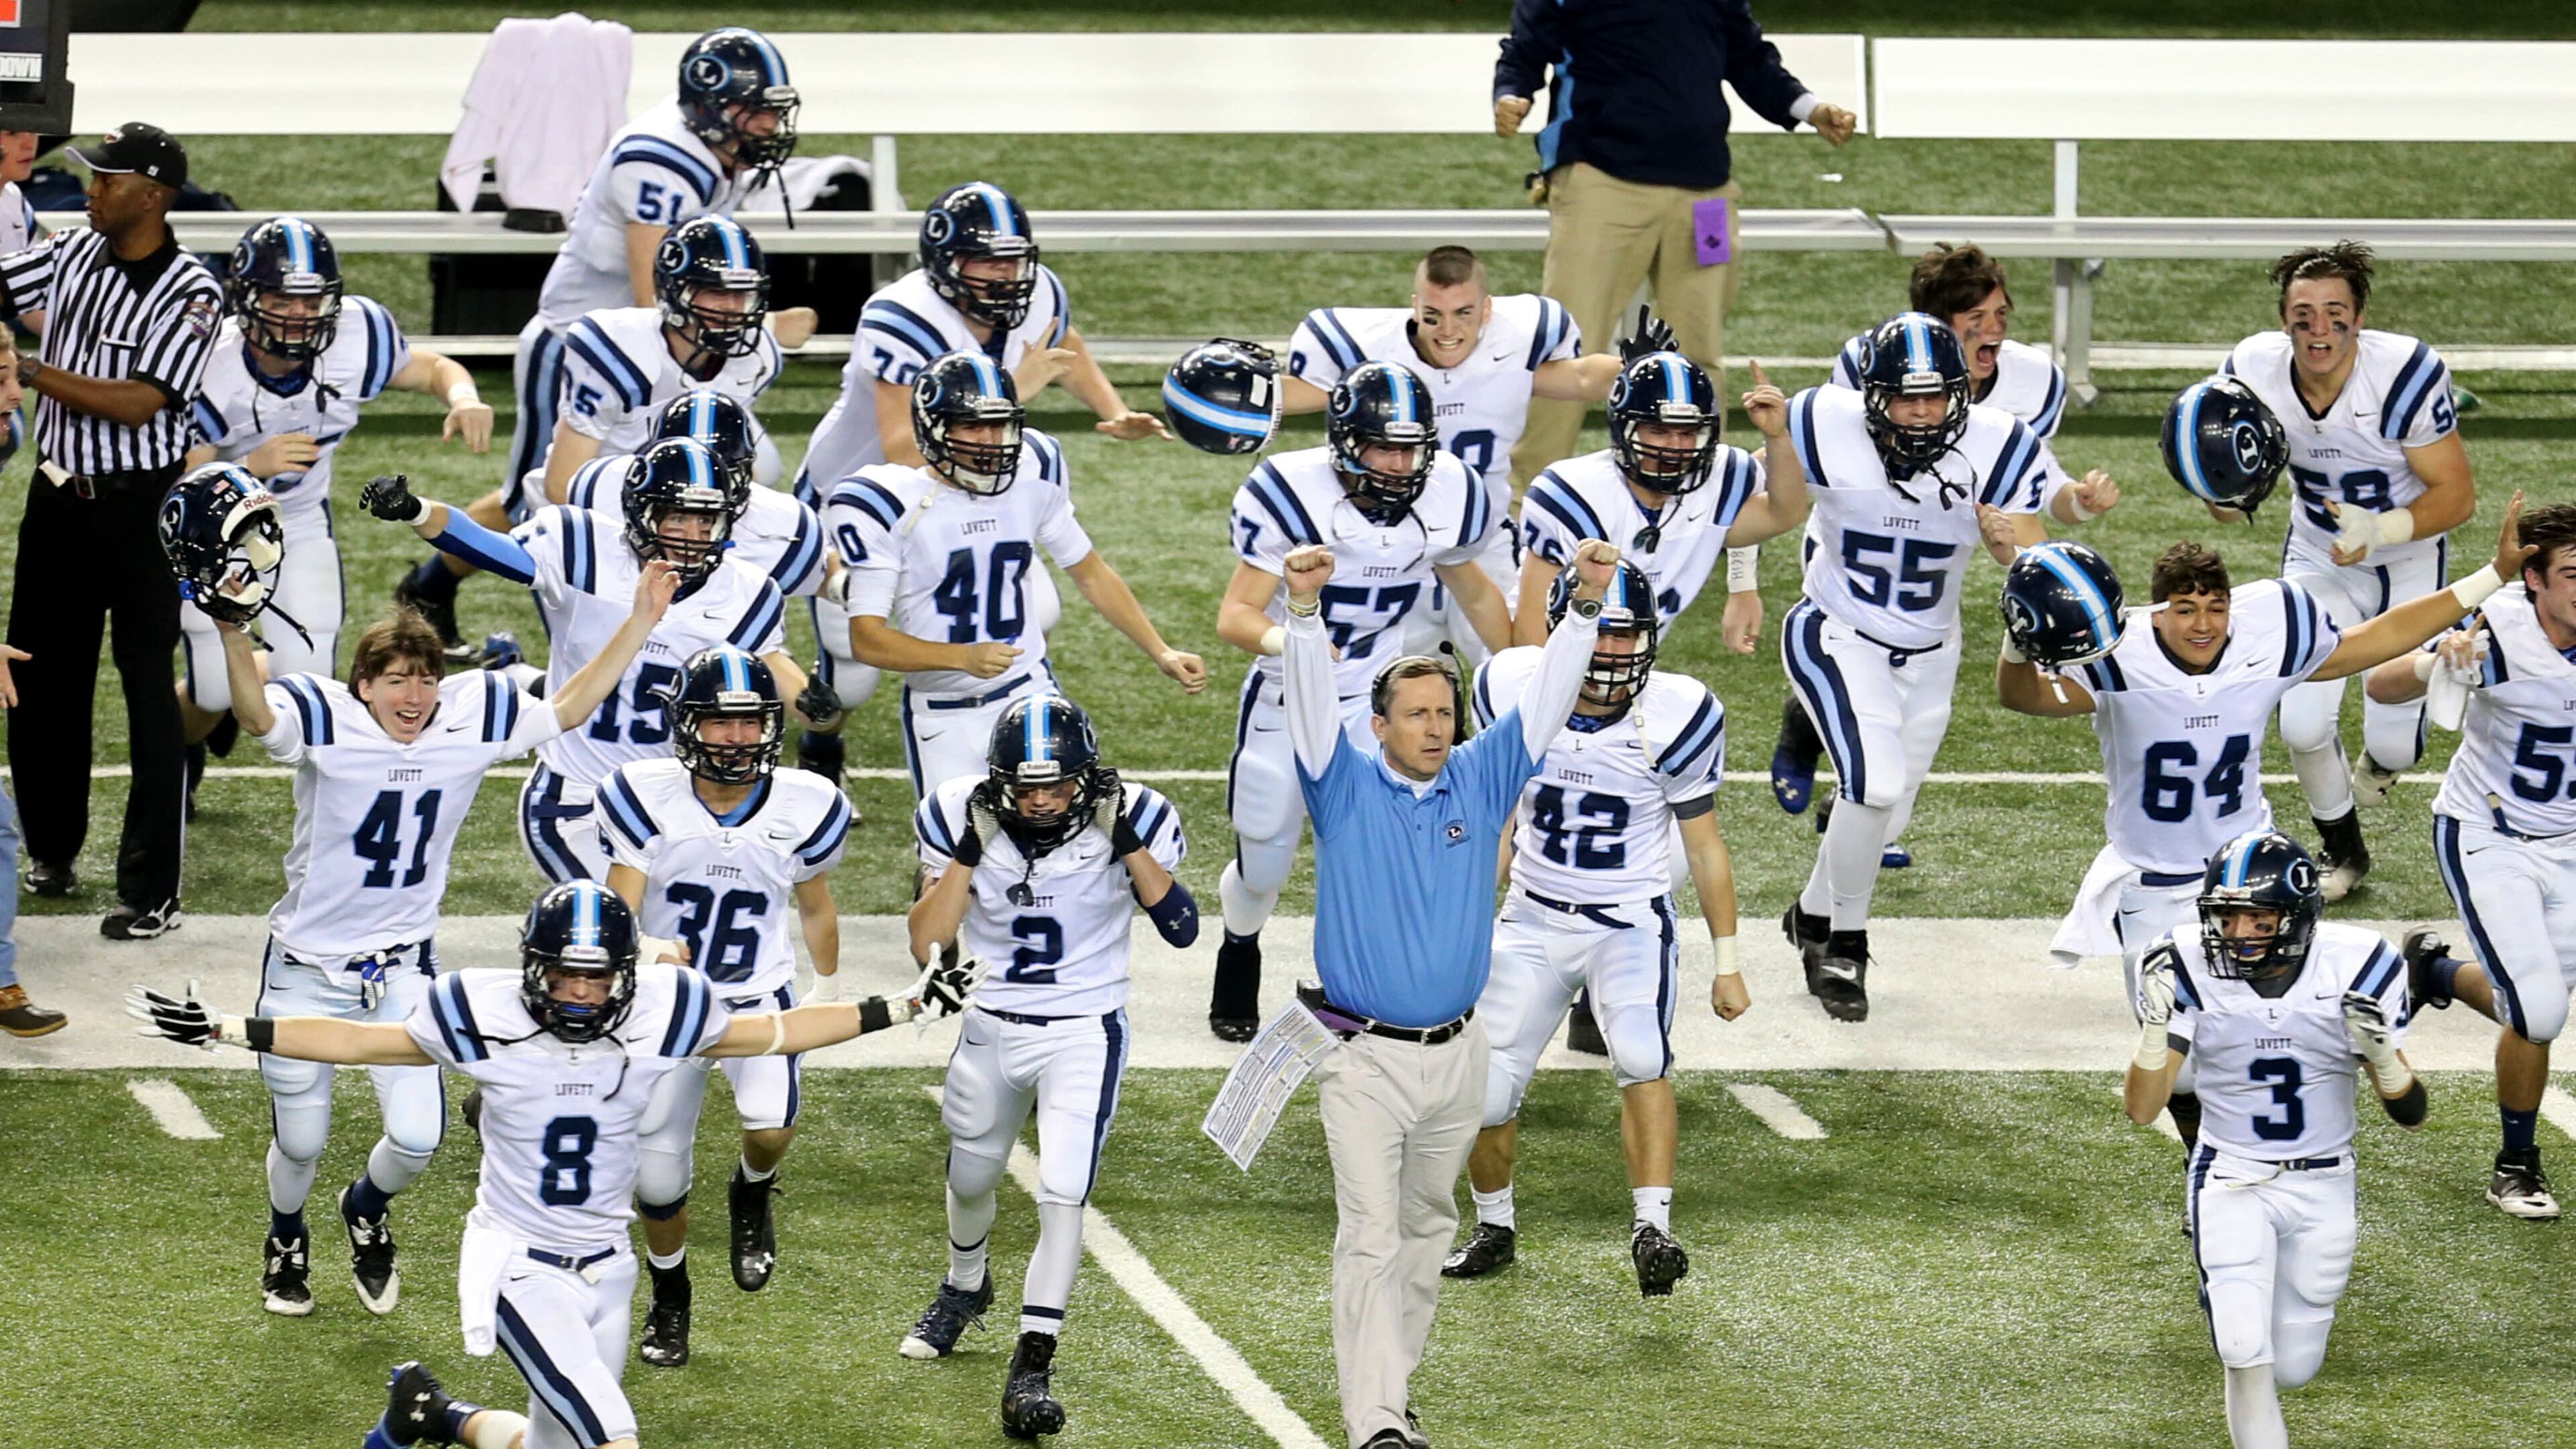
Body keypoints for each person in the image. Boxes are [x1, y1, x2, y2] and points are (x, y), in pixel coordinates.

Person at [126, 879, 981, 1449]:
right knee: (614, 1436)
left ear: (624, 977)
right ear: (532, 968)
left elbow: (778, 1032)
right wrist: (230, 1030)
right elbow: (359, 1040)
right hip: (515, 1265)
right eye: (563, 977)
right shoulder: (478, 1010)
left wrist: (902, 1007)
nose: (579, 993)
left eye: (596, 979)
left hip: (609, 1266)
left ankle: (432, 1415)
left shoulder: (663, 1008)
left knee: (554, 1441)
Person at [172, 456, 681, 1318]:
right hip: (304, 963)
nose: (414, 694)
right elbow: (256, 714)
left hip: (401, 967)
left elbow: (569, 707)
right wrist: (227, 630)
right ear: (361, 685)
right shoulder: (324, 715)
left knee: (416, 1137)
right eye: (395, 680)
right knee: (299, 1139)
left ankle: (365, 1210)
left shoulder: (467, 716)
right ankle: (285, 1228)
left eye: (425, 678)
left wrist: (639, 621)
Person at [2002, 484, 2532, 1142]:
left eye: (2215, 608)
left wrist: (2493, 576)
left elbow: (2375, 639)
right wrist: (2020, 642)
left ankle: (2334, 1097)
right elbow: (2025, 697)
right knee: (2183, 1066)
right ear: (2155, 615)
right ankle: (2214, 1166)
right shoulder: (2119, 651)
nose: (2202, 624)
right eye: (2184, 610)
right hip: (2152, 881)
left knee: (2283, 1025)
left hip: (2250, 873)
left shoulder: (2270, 626)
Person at [1283, 531, 1615, 1449]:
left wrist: (1583, 608)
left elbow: (1549, 701)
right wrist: (1304, 618)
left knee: (1428, 1232)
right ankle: (1376, 1422)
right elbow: (1311, 714)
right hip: (1361, 1056)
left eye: (1444, 712)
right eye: (1416, 714)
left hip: (1459, 1053)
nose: (1435, 727)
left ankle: (1393, 1394)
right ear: (1379, 725)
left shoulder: (1482, 772)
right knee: (1369, 1236)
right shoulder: (1342, 786)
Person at [793, 182, 1167, 784]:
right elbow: (903, 448)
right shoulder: (901, 316)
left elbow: (1062, 343)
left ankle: (992, 731)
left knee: (1032, 610)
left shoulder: (1038, 292)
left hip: (972, 483)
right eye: (988, 260)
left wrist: (1113, 408)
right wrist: (1011, 391)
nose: (1007, 274)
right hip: (875, 499)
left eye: (1015, 259)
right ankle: (821, 741)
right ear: (945, 263)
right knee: (855, 672)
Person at [1442, 562, 1746, 1296]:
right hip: (1534, 915)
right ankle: (1495, 1225)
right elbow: (1489, 785)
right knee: (1484, 1094)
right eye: (1602, 632)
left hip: (1627, 921)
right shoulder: (1512, 685)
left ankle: (1654, 1229)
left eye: (1629, 633)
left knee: (1642, 1054)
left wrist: (1727, 960)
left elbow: (1703, 845)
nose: (1613, 652)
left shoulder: (1676, 713)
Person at [899, 694, 1195, 1439]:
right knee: (970, 1176)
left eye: (1057, 786)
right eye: (1025, 788)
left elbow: (1182, 927)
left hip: (1083, 1029)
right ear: (997, 782)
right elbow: (927, 945)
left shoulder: (1137, 814)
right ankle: (966, 1285)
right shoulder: (956, 813)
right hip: (991, 1021)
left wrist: (1122, 836)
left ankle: (1033, 1361)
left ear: (1087, 778)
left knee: (1063, 1192)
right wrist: (969, 850)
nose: (1040, 802)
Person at [1776, 314, 2074, 1022]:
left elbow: (2030, 555)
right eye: (1905, 398)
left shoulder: (1998, 444)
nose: (1920, 412)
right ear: (1872, 395)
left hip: (1933, 649)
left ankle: (1812, 913)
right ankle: (1843, 944)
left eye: (1935, 397)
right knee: (1874, 786)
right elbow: (1763, 505)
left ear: (1960, 395)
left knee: (1888, 810)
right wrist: (1746, 586)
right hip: (1839, 630)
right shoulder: (1822, 420)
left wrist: (2007, 547)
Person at [1206, 360, 1513, 1042]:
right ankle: (1239, 944)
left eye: (1413, 448)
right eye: (1386, 447)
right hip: (1292, 691)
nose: (1403, 464)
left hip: (1379, 700)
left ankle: (1348, 979)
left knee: (1377, 847)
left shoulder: (1448, 495)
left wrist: (1530, 663)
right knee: (1266, 852)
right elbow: (1236, 615)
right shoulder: (1292, 489)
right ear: (1345, 443)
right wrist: (1297, 644)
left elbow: (1477, 592)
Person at [1774, 243, 2108, 860]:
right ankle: (1811, 728)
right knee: (1861, 662)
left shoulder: (2029, 390)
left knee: (1915, 702)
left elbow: (2033, 485)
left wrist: (2074, 509)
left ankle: (1869, 814)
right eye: (1974, 321)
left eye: (2001, 316)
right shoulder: (1864, 367)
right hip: (1856, 542)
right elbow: (1815, 460)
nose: (1994, 333)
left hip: (1935, 559)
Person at [359, 441, 799, 884]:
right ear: (643, 513)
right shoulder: (584, 546)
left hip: (673, 801)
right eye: (678, 516)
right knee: (617, 935)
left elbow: (765, 673)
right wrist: (417, 510)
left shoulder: (747, 592)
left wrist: (817, 708)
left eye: (706, 520)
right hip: (578, 795)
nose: (693, 534)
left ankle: (519, 674)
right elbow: (486, 547)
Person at [2123, 830, 2424, 1449]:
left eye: (2257, 919)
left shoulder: (2357, 962)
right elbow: (2142, 1109)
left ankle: (2438, 974)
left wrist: (2385, 1059)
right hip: (2230, 1173)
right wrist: (2156, 1030)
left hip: (2324, 1180)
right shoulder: (2182, 962)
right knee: (2242, 1350)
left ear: (2298, 917)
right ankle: (2233, 1301)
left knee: (2294, 1367)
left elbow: (2413, 1116)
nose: (2238, 935)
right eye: (2227, 919)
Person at [178, 216, 494, 799]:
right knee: (215, 692)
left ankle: (329, 804)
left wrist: (465, 396)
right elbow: (184, 487)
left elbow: (430, 368)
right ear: (247, 299)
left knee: (311, 683)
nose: (298, 315)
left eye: (311, 300)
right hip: (216, 535)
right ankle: (178, 747)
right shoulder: (209, 362)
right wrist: (250, 467)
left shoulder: (357, 333)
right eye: (279, 298)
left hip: (296, 520)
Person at [394, 213, 812, 653]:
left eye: (742, 295)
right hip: (595, 508)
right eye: (716, 292)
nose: (732, 310)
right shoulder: (617, 350)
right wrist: (655, 536)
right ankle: (494, 651)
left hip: (675, 510)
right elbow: (563, 483)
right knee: (608, 664)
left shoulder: (756, 357)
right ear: (675, 293)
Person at [599, 645, 852, 1366]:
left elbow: (816, 906)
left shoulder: (806, 804)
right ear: (686, 724)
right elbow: (624, 900)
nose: (738, 739)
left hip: (755, 997)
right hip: (670, 1008)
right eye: (720, 723)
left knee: (771, 1129)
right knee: (656, 1180)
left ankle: (752, 1190)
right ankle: (670, 1295)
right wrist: (643, 951)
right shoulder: (645, 794)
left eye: (751, 723)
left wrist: (824, 990)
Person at [0, 121, 223, 938]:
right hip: (59, 500)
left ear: (152, 196)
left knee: (144, 696)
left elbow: (141, 400)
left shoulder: (193, 292)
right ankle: (52, 848)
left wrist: (26, 369)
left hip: (143, 511)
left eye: (107, 180)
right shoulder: (72, 251)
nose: (90, 191)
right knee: (40, 682)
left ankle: (151, 889)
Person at [1493, 0, 1856, 485]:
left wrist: (1809, 108)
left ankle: (1701, 497)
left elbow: (1746, 54)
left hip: (1705, 193)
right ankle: (1527, 503)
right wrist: (1512, 91)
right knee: (1566, 356)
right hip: (1602, 183)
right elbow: (1529, 40)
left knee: (1698, 354)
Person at [825, 352, 1204, 802]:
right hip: (945, 713)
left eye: (998, 424)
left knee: (1066, 836)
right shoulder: (887, 502)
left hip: (1030, 693)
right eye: (971, 426)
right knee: (949, 859)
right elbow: (867, 640)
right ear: (934, 428)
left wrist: (1159, 650)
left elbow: (1090, 572)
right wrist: (961, 657)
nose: (989, 440)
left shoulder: (1033, 469)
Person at [2217, 242, 2475, 900]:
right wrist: (2223, 493)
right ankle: (2343, 851)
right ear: (2283, 319)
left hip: (2410, 559)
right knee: (2302, 722)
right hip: (2318, 557)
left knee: (2398, 745)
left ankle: (2379, 764)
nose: (2320, 328)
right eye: (2303, 313)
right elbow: (2229, 467)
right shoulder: (2252, 367)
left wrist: (2380, 528)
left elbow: (2456, 496)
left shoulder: (2403, 372)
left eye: (2336, 312)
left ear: (2360, 318)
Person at [2365, 500, 2576, 1220]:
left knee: (2534, 1005)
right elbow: (2379, 683)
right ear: (2536, 583)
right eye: (2573, 573)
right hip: (2493, 833)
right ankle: (2515, 1163)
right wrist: (2436, 663)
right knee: (2541, 1010)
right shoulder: (2502, 629)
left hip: (2572, 840)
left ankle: (2436, 973)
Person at [1277, 246, 1635, 663]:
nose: (1447, 330)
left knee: (1521, 675)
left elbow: (1582, 377)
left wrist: (1641, 367)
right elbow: (1291, 394)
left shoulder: (1516, 342)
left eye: (1463, 313)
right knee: (1386, 692)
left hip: (1483, 538)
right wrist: (1201, 400)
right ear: (1415, 308)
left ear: (1487, 310)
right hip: (1391, 543)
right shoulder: (1368, 351)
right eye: (1433, 315)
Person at [559, 389, 826, 604]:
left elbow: (828, 574)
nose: (705, 486)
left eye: (721, 472)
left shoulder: (787, 527)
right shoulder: (601, 485)